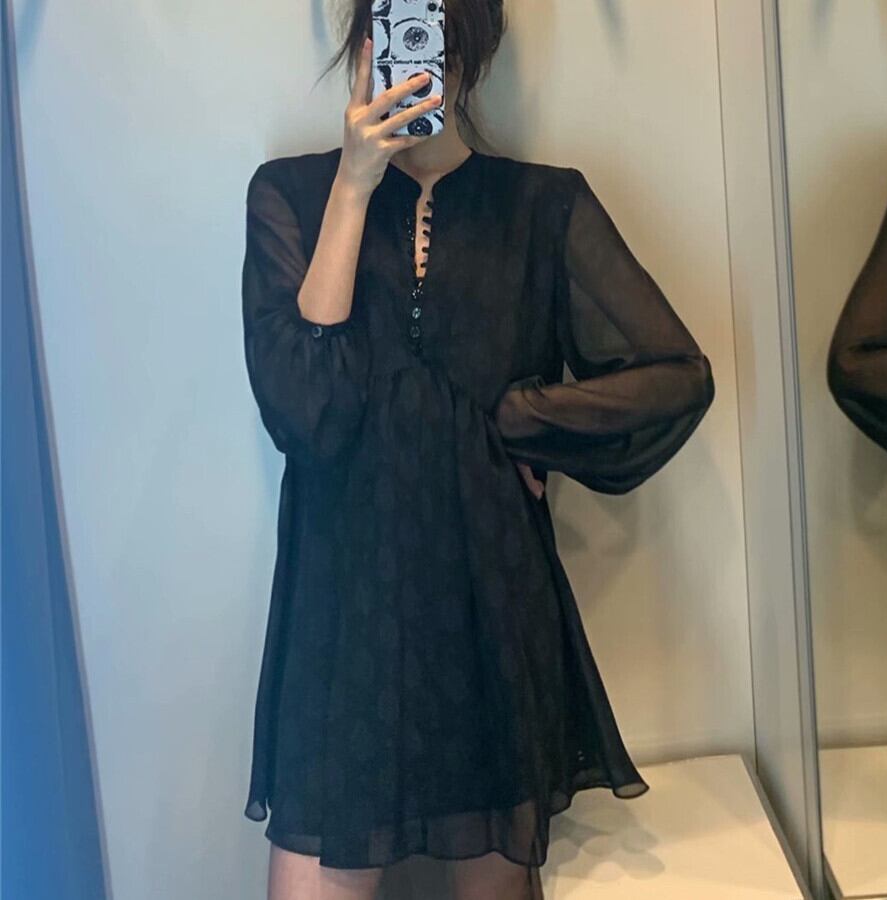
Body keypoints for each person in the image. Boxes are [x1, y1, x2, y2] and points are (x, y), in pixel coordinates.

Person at [240, 3, 715, 898]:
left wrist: (526, 420)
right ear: (364, 43)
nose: (417, 58)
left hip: (494, 617)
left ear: (474, 49)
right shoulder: (291, 196)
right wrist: (353, 187)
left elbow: (675, 375)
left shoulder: (544, 206)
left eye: (438, 34)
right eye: (395, 29)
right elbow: (304, 415)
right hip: (339, 627)